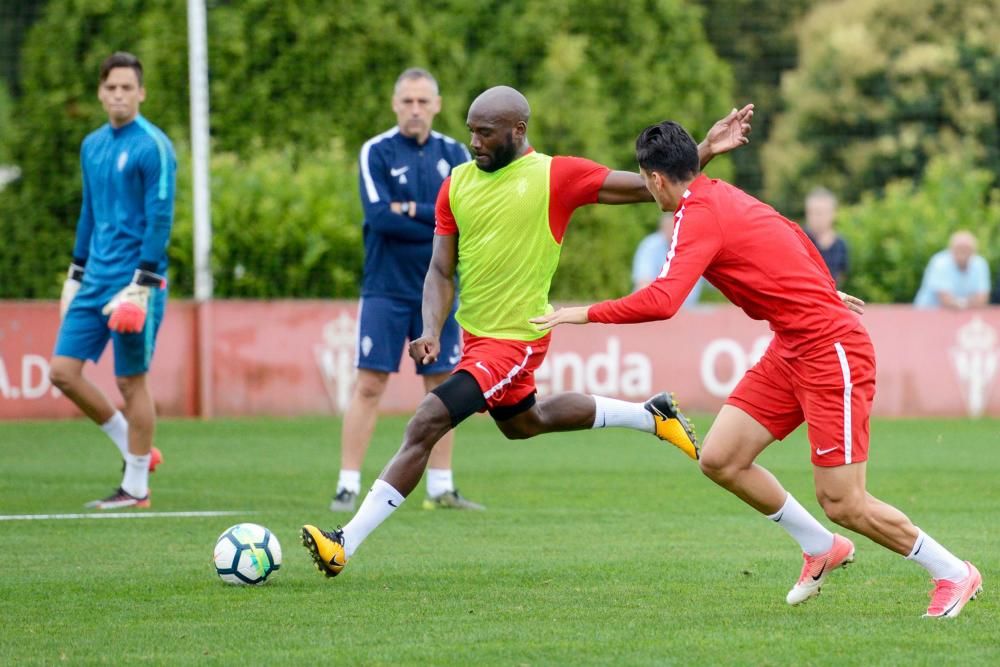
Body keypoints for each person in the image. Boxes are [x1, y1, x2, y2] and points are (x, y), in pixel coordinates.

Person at [532, 120, 982, 618]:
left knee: (844, 501)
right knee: (721, 457)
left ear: (656, 180)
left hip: (831, 349)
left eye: (644, 180)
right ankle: (821, 547)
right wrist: (822, 285)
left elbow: (663, 301)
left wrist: (581, 312)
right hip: (791, 346)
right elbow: (789, 231)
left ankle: (953, 572)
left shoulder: (694, 217)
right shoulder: (718, 193)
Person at [300, 86, 754, 578]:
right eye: (471, 130)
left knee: (426, 421)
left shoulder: (555, 176)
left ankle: (344, 541)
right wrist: (431, 327)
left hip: (517, 338)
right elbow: (438, 270)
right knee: (524, 422)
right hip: (476, 337)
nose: (473, 140)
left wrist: (702, 151)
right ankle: (650, 416)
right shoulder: (455, 184)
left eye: (485, 132)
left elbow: (648, 188)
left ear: (518, 131)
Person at [332, 68, 483, 513]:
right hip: (386, 288)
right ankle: (346, 485)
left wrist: (413, 211)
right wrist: (437, 227)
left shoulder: (456, 153)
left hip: (438, 291)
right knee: (370, 383)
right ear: (395, 104)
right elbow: (380, 219)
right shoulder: (375, 152)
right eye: (407, 102)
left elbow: (466, 220)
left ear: (436, 104)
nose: (415, 109)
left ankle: (441, 487)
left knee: (442, 385)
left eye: (423, 102)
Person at [48, 52, 175, 509]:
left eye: (127, 87)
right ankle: (134, 446)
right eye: (111, 88)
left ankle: (136, 488)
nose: (118, 95)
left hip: (134, 283)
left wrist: (142, 282)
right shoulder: (92, 145)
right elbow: (90, 212)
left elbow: (160, 218)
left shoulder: (153, 146)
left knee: (130, 383)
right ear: (100, 93)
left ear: (141, 92)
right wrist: (75, 273)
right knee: (62, 372)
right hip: (95, 279)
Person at [633, 212, 705, 306]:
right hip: (653, 308)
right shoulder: (651, 246)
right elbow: (643, 285)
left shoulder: (696, 247)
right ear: (662, 227)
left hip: (687, 312)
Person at [913, 230, 990, 309]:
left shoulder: (980, 263)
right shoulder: (940, 262)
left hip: (962, 315)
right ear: (951, 248)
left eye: (967, 249)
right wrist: (970, 302)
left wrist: (960, 304)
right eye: (959, 248)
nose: (963, 252)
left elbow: (983, 298)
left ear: (974, 250)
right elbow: (945, 299)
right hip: (928, 313)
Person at [803, 186, 848, 287]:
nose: (818, 217)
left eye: (822, 212)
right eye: (813, 212)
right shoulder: (799, 240)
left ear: (834, 213)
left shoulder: (841, 244)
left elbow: (842, 276)